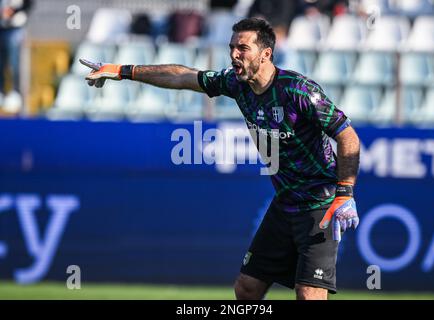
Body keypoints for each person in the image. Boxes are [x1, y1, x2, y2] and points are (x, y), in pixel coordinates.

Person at [80, 17, 360, 300]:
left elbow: (348, 136)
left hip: (321, 204)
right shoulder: (236, 84)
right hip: (285, 203)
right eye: (231, 48)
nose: (234, 55)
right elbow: (182, 76)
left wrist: (344, 193)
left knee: (309, 295)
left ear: (266, 54)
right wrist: (121, 70)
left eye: (243, 48)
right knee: (247, 288)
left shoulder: (298, 90)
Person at [0, 0, 32, 111]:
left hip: (15, 28)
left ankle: (16, 92)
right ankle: (2, 91)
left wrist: (13, 12)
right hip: (2, 27)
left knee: (15, 62)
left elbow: (28, 5)